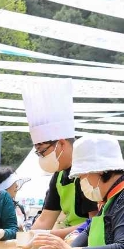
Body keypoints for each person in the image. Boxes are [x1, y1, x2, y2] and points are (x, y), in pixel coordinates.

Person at [22, 78, 98, 237]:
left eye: (42, 151)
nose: (41, 158)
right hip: (69, 242)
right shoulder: (59, 177)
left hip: (89, 247)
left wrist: (51, 235)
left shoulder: (91, 170)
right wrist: (26, 240)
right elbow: (44, 220)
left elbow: (95, 223)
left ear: (62, 144)